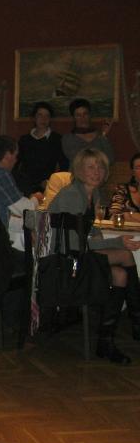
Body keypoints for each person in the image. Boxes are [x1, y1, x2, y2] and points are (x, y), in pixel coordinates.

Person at [49, 148, 140, 365]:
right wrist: (116, 242)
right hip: (66, 263)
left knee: (120, 275)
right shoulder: (72, 195)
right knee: (125, 254)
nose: (96, 171)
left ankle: (105, 341)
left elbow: (88, 230)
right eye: (90, 167)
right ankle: (136, 320)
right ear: (79, 170)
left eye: (100, 167)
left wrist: (102, 236)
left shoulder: (93, 194)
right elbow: (75, 244)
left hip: (79, 256)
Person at [13, 101, 67, 195]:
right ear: (34, 118)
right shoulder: (24, 140)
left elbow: (64, 165)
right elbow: (15, 164)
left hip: (47, 187)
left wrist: (51, 181)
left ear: (50, 119)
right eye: (40, 115)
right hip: (25, 187)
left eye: (47, 116)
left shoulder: (57, 139)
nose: (43, 119)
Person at [61, 98, 115, 165]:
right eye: (78, 115)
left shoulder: (100, 136)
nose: (82, 118)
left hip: (99, 171)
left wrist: (103, 135)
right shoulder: (68, 138)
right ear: (73, 117)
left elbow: (110, 159)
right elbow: (77, 160)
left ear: (89, 115)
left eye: (85, 114)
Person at [109, 153, 140, 221]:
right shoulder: (122, 189)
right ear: (133, 172)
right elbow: (114, 214)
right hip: (123, 227)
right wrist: (126, 216)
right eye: (138, 167)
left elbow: (125, 216)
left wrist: (130, 216)